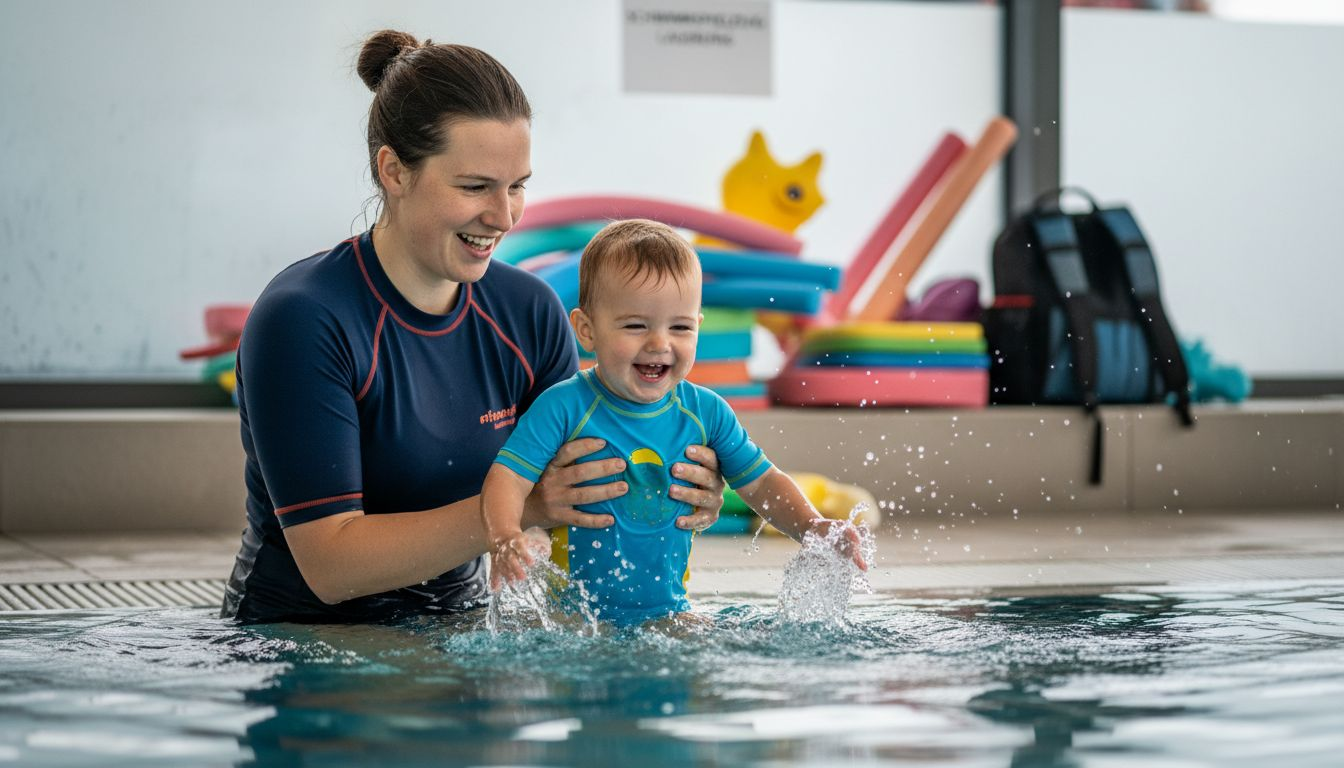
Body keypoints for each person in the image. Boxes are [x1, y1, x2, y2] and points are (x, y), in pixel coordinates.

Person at [221, 31, 726, 623]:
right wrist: (521, 508)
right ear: (394, 170)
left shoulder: (527, 313)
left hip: (461, 624)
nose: (505, 216)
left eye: (517, 186)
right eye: (475, 186)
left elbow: (586, 477)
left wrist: (677, 489)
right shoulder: (305, 319)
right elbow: (330, 566)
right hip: (309, 641)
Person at [481, 219, 868, 626]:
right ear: (586, 330)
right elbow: (507, 477)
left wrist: (812, 526)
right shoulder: (564, 407)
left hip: (669, 616)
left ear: (698, 327)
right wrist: (505, 536)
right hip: (573, 622)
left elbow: (761, 482)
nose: (659, 343)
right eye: (635, 325)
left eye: (679, 327)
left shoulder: (706, 413)